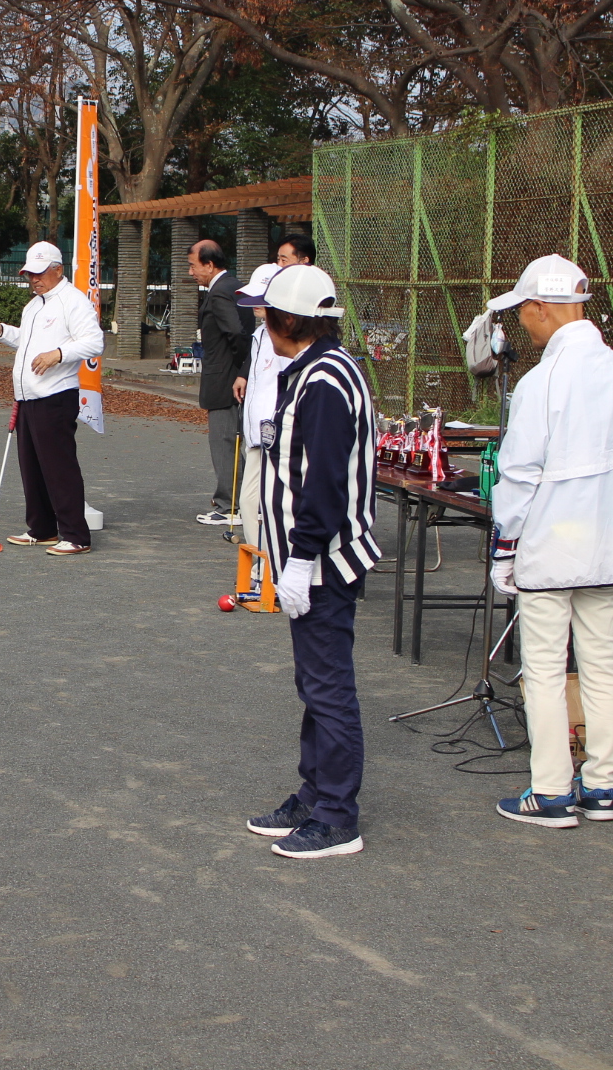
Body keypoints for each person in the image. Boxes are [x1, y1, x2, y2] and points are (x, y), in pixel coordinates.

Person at [486, 254, 613, 828]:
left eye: (525, 313)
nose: (524, 324)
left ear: (543, 307)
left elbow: (518, 474)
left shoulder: (544, 381)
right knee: (601, 664)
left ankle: (550, 792)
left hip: (550, 545)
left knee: (542, 669)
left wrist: (505, 544)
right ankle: (601, 785)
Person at [244, 263, 379, 859]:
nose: (262, 320)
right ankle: (315, 790)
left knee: (327, 685)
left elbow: (320, 479)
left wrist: (298, 559)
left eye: (267, 311)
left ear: (291, 318)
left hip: (322, 559)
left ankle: (337, 814)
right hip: (313, 556)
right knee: (315, 680)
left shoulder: (324, 379)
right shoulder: (315, 370)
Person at [0, 241, 105, 556]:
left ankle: (76, 535)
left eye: (39, 273)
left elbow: (94, 342)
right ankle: (43, 529)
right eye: (29, 273)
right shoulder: (34, 305)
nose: (33, 279)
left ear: (57, 270)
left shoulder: (73, 301)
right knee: (32, 467)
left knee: (59, 467)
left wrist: (58, 354)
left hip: (56, 396)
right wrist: (2, 332)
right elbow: (28, 340)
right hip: (27, 397)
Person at [188, 239, 249, 526]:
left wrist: (238, 367)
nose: (191, 272)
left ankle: (229, 505)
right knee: (234, 441)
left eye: (193, 265)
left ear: (210, 265)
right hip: (232, 374)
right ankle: (235, 501)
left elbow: (236, 333)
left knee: (224, 442)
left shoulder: (221, 292)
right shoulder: (235, 287)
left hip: (225, 378)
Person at [231, 263, 283, 536]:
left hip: (279, 436)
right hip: (255, 433)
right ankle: (257, 564)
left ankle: (274, 565)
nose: (255, 304)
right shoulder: (260, 334)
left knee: (275, 503)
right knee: (247, 501)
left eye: (262, 297)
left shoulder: (288, 337)